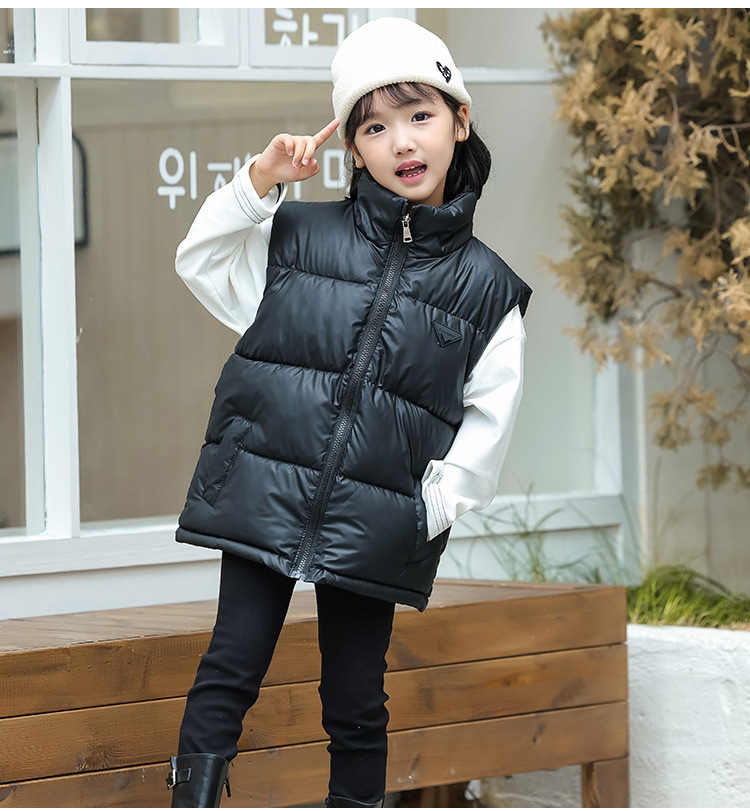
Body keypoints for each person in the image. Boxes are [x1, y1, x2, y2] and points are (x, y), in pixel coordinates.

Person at [166, 16, 531, 809]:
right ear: (354, 149)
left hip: (382, 513)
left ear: (459, 120)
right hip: (262, 486)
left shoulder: (488, 289)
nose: (402, 141)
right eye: (375, 126)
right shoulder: (296, 236)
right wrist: (259, 181)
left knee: (356, 698)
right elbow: (201, 261)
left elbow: (490, 416)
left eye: (420, 114)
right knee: (231, 666)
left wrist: (432, 505)